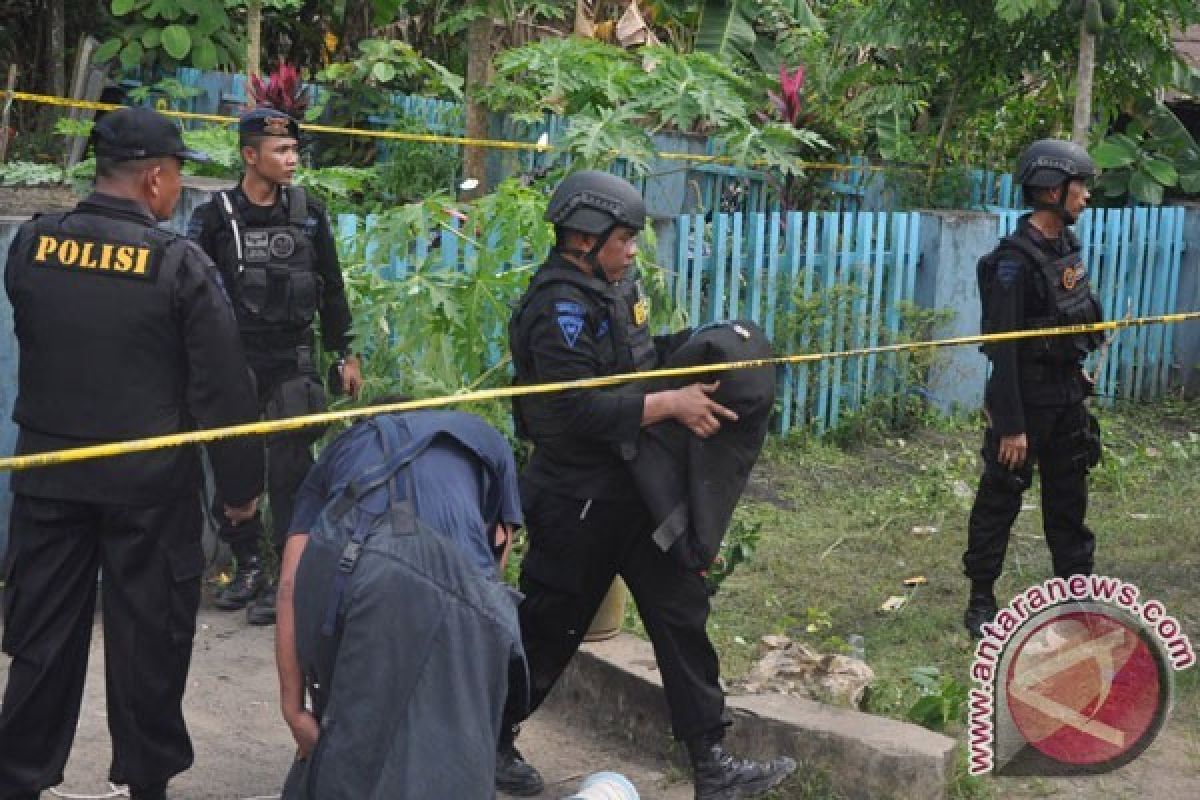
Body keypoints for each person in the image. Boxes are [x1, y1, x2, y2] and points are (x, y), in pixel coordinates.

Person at [502, 170, 796, 800]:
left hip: (636, 490)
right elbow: (572, 410)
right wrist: (671, 404)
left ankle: (711, 762)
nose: (634, 249)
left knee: (680, 612)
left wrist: (698, 353)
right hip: (576, 496)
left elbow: (635, 368)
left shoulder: (615, 286)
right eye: (624, 238)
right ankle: (489, 738)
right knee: (549, 628)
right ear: (585, 238)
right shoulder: (558, 309)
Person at [0, 107, 264, 800]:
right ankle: (148, 786)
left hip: (47, 479)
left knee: (40, 642)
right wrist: (241, 494)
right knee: (150, 643)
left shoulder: (32, 245)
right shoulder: (178, 266)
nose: (176, 191)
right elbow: (224, 392)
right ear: (153, 177)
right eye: (176, 176)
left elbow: (37, 334)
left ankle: (19, 779)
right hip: (148, 490)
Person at [275, 409, 526, 798]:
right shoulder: (483, 437)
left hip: (344, 578)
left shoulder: (338, 452)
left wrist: (293, 708)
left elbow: (291, 579)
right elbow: (495, 559)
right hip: (429, 578)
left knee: (345, 742)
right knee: (454, 754)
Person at [188, 105, 362, 627]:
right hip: (233, 361)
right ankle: (249, 565)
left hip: (293, 358)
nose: (291, 160)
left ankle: (288, 577)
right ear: (249, 155)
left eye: (294, 150)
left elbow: (331, 286)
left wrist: (346, 352)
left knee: (291, 471)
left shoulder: (310, 212)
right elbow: (191, 292)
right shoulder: (215, 216)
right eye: (280, 151)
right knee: (235, 468)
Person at [963, 139, 1105, 638]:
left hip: (1067, 399)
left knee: (1069, 502)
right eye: (1079, 185)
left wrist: (1076, 370)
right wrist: (1011, 425)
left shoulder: (1065, 249)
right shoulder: (1013, 264)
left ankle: (1075, 597)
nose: (1085, 196)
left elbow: (1069, 319)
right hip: (1024, 404)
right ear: (1051, 190)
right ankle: (981, 601)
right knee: (1000, 502)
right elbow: (1003, 350)